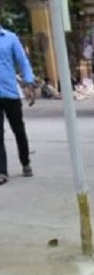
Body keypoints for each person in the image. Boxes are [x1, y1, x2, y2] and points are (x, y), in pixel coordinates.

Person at [0, 22, 36, 185]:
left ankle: (25, 162)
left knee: (18, 129)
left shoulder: (10, 38)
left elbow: (23, 61)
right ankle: (2, 171)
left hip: (10, 92)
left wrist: (29, 82)